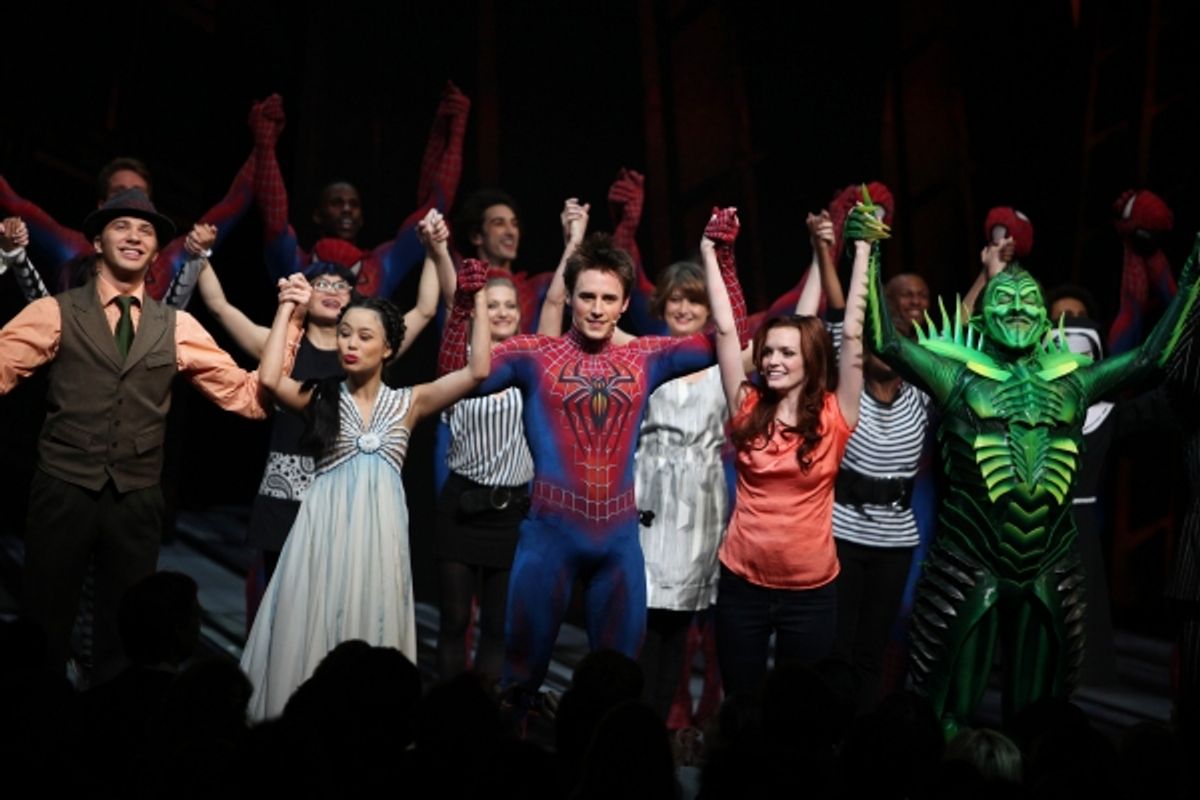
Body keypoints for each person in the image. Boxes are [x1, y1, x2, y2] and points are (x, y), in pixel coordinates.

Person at [867, 216, 1200, 735]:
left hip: (1050, 561)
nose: (1018, 308)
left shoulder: (1073, 384)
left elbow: (1154, 357)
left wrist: (1194, 282)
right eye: (1004, 300)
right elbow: (885, 341)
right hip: (969, 557)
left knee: (1038, 722)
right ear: (983, 316)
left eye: (1028, 302)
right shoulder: (957, 376)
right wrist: (867, 253)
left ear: (1045, 318)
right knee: (943, 711)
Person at [0, 188, 291, 682]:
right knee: (45, 624)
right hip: (63, 488)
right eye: (121, 226)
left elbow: (248, 398)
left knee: (128, 633)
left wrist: (292, 322)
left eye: (146, 230)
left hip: (136, 497)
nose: (135, 235)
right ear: (96, 241)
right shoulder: (56, 312)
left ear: (157, 252)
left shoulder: (176, 325)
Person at [473, 215, 748, 702]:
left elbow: (732, 333)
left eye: (607, 299)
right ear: (570, 297)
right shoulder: (533, 354)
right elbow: (460, 372)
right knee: (519, 682)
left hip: (619, 542)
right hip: (549, 537)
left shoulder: (647, 356)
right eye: (587, 296)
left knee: (620, 685)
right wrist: (462, 306)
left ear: (625, 304)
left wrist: (719, 257)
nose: (596, 309)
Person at [240, 264, 492, 719]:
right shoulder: (322, 397)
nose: (351, 345)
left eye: (363, 337)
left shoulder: (410, 402)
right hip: (324, 527)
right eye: (345, 335)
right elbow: (272, 379)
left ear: (388, 348)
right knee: (315, 611)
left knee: (369, 610)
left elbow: (477, 371)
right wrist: (286, 311)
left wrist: (473, 307)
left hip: (378, 534)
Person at [707, 200, 879, 697]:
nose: (774, 360)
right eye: (769, 352)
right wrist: (710, 253)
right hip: (742, 584)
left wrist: (863, 249)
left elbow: (851, 329)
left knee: (799, 711)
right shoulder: (747, 403)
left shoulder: (836, 412)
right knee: (742, 703)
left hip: (811, 592)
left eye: (787, 352)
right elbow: (723, 331)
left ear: (809, 358)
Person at [429, 202, 590, 684]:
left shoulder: (531, 360)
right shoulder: (458, 361)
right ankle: (448, 714)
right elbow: (448, 295)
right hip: (461, 504)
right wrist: (439, 249)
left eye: (508, 305)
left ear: (519, 314)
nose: (500, 311)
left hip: (511, 512)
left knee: (498, 627)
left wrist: (574, 244)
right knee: (456, 621)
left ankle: (486, 727)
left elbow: (558, 304)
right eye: (490, 303)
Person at [250, 83, 469, 298]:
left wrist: (454, 131)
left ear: (362, 218)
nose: (347, 209)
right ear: (317, 215)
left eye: (354, 205)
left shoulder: (382, 264)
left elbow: (433, 207)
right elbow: (275, 217)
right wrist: (265, 143)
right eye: (337, 203)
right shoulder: (295, 262)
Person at [0, 142, 256, 303]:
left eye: (139, 196)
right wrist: (13, 252)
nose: (130, 202)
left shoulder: (165, 261)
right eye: (120, 194)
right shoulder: (74, 258)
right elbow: (16, 205)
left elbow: (232, 204)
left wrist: (263, 142)